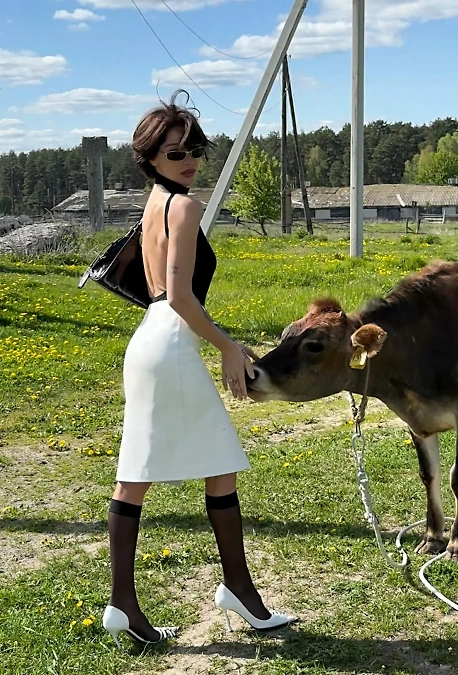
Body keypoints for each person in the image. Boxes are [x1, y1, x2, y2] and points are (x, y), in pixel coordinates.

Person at [102, 90, 297, 646]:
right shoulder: (183, 208)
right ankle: (236, 588)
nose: (188, 160)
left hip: (151, 342)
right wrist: (228, 347)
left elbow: (167, 297)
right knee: (213, 465)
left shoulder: (154, 204)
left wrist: (221, 342)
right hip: (169, 344)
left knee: (143, 474)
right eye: (174, 153)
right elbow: (181, 297)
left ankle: (126, 603)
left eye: (194, 149)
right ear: (149, 158)